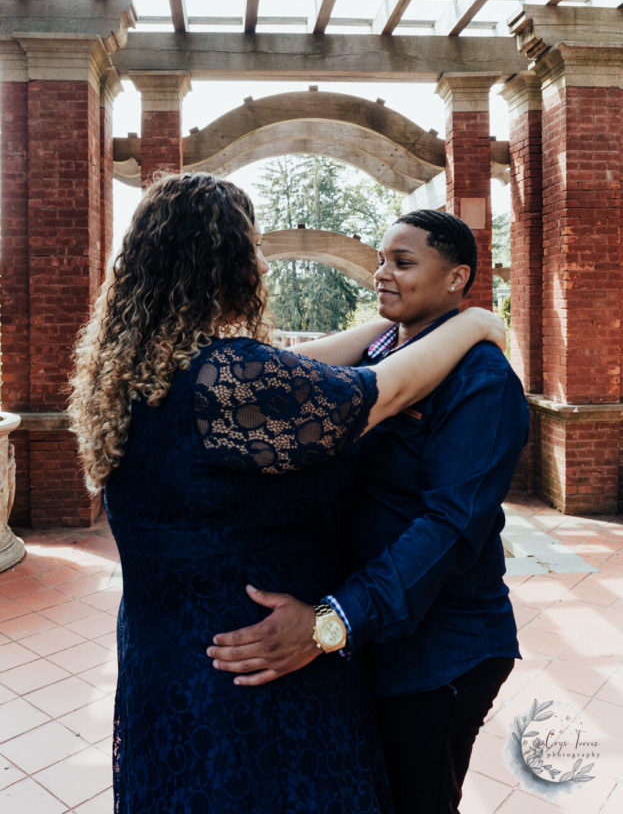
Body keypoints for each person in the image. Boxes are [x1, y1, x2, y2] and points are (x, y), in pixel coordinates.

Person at [68, 176, 506, 814]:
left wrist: (388, 333)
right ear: (223, 261)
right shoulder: (227, 378)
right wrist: (477, 324)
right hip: (253, 675)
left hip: (167, 658)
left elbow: (311, 371)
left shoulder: (144, 367)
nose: (262, 261)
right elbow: (377, 392)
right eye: (252, 246)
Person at [210, 209, 529, 814]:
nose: (382, 274)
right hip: (370, 635)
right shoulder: (380, 350)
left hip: (439, 651)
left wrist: (331, 622)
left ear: (457, 278)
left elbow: (450, 529)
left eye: (403, 263)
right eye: (381, 260)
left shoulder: (482, 381)